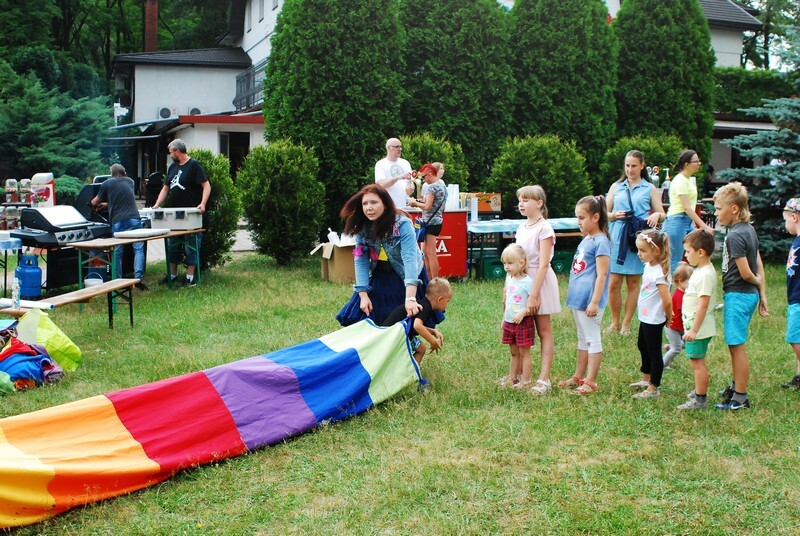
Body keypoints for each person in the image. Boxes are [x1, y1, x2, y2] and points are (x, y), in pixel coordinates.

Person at [336, 184, 428, 327]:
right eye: (365, 204)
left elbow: (409, 259)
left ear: (385, 204)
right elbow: (360, 260)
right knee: (366, 318)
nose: (368, 207)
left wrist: (410, 297)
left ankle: (414, 347)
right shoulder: (362, 227)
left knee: (404, 321)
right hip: (380, 273)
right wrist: (363, 294)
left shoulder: (403, 224)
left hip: (407, 275)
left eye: (374, 202)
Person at [713, 183, 768, 411]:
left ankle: (741, 397)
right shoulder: (748, 229)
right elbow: (758, 260)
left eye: (718, 209)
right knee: (735, 344)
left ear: (734, 209)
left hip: (738, 294)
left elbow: (747, 272)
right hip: (746, 295)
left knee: (736, 346)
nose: (716, 213)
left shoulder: (734, 236)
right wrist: (761, 293)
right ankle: (735, 386)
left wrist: (756, 281)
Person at [605, 150, 665, 335]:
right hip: (617, 237)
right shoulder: (616, 187)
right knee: (613, 283)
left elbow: (662, 214)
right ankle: (614, 322)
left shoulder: (649, 188)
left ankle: (626, 323)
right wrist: (614, 215)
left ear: (641, 166)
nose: (630, 169)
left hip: (638, 238)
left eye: (633, 166)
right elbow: (604, 214)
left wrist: (656, 215)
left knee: (633, 283)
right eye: (627, 165)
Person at [559, 196, 611, 396]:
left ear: (596, 217)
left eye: (582, 217)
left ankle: (590, 381)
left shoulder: (601, 242)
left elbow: (602, 274)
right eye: (577, 217)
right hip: (578, 299)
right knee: (582, 339)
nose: (578, 221)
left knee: (592, 339)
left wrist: (595, 301)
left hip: (590, 301)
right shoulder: (587, 239)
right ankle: (578, 376)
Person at [514, 185, 560, 395]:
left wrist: (533, 294)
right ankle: (521, 375)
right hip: (521, 280)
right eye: (520, 200)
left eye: (526, 200)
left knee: (543, 330)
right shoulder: (522, 228)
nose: (521, 204)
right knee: (520, 330)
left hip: (539, 282)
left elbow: (542, 264)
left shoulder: (544, 229)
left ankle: (544, 378)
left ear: (539, 203)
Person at [152, 138, 211, 287]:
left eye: (171, 152)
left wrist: (202, 204)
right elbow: (166, 188)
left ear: (178, 151)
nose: (170, 155)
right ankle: (172, 275)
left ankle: (190, 277)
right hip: (175, 214)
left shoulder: (194, 165)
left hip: (191, 214)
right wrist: (157, 205)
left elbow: (206, 186)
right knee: (173, 245)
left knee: (191, 245)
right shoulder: (173, 167)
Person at [676, 230, 717, 410]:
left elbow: (703, 304)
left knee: (697, 363)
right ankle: (699, 389)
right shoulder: (701, 271)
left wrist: (693, 330)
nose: (685, 255)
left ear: (700, 252)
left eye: (688, 251)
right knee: (697, 361)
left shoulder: (705, 275)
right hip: (696, 326)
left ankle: (700, 399)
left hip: (697, 328)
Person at [629, 229, 672, 400]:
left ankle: (654, 387)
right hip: (645, 316)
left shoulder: (660, 273)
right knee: (642, 345)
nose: (639, 254)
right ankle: (646, 378)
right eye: (638, 250)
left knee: (654, 352)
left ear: (657, 251)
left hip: (654, 319)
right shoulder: (648, 266)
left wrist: (669, 317)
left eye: (643, 250)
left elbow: (667, 300)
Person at [90, 164, 148, 291]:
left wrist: (94, 205)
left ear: (112, 173)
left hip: (118, 221)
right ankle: (139, 279)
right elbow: (122, 198)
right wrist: (107, 205)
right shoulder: (130, 181)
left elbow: (95, 202)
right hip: (134, 218)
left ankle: (117, 281)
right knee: (138, 249)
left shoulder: (107, 184)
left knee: (117, 251)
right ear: (124, 172)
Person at [663, 150, 714, 274]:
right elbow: (687, 207)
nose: (699, 164)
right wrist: (704, 226)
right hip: (677, 221)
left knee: (697, 253)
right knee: (674, 261)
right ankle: (669, 292)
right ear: (686, 164)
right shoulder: (680, 180)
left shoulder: (688, 180)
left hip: (686, 221)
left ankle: (691, 288)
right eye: (696, 161)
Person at [380, 277, 452, 364]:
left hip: (393, 332)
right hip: (394, 336)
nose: (447, 304)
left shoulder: (423, 304)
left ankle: (408, 371)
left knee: (420, 348)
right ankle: (410, 374)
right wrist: (432, 341)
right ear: (440, 299)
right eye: (447, 301)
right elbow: (417, 326)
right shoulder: (426, 308)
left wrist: (432, 331)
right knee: (421, 349)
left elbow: (415, 325)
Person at [497, 244, 536, 391]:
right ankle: (512, 378)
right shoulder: (509, 279)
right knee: (513, 352)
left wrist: (523, 313)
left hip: (523, 323)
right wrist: (504, 318)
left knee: (524, 353)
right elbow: (506, 300)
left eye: (510, 263)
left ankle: (525, 381)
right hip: (509, 322)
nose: (507, 267)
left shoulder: (528, 282)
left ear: (522, 262)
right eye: (505, 263)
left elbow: (536, 302)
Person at [408, 163, 447, 279]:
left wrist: (415, 203)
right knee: (426, 253)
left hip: (430, 223)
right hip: (437, 221)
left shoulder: (432, 187)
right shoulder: (442, 186)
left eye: (424, 177)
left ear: (430, 175)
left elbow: (427, 206)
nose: (424, 180)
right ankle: (429, 280)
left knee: (431, 253)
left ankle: (434, 281)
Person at [781, 198, 800, 390]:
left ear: (794, 217)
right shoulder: (797, 240)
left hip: (799, 299)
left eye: (786, 219)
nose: (785, 224)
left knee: (794, 338)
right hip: (794, 297)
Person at [663, 262, 694, 369]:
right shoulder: (679, 296)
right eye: (690, 282)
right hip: (673, 327)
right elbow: (685, 312)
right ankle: (662, 365)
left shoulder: (684, 293)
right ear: (680, 280)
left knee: (688, 343)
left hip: (680, 327)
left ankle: (669, 347)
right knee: (676, 349)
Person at [374, 138, 413, 210]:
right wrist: (398, 177)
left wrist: (411, 187)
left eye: (400, 147)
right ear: (389, 148)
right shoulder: (381, 164)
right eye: (397, 147)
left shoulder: (405, 163)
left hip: (403, 207)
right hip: (387, 207)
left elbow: (411, 182)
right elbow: (381, 185)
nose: (400, 149)